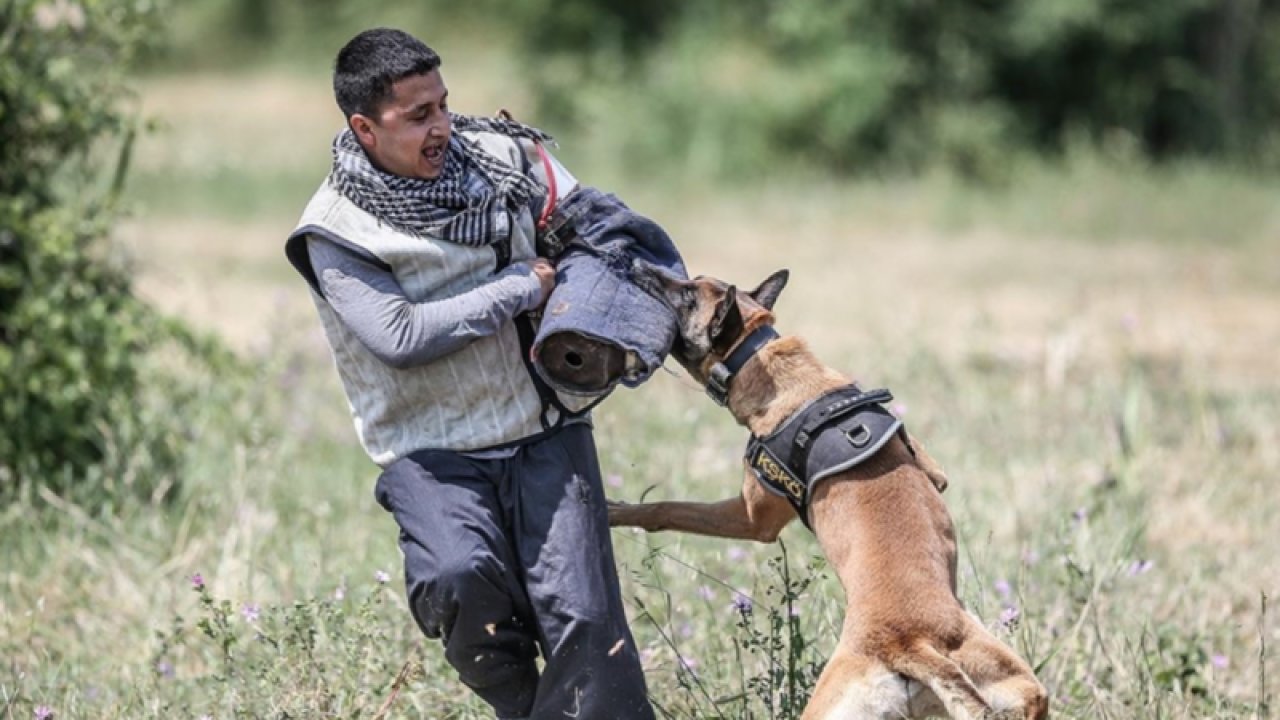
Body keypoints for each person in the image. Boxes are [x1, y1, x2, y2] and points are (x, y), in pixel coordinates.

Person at [284, 28, 654, 720]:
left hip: (543, 431)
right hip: (430, 453)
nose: (443, 128)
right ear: (365, 128)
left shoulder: (506, 159)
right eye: (418, 116)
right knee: (458, 584)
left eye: (444, 106)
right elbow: (398, 336)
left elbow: (597, 227)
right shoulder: (335, 229)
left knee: (586, 622)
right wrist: (520, 286)